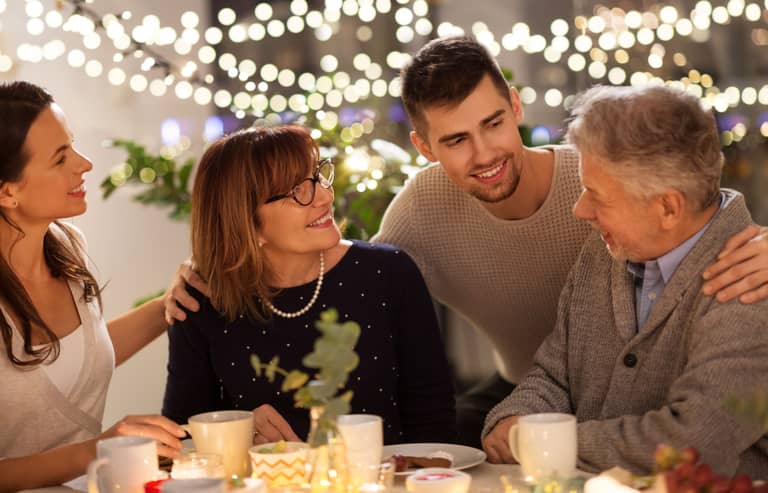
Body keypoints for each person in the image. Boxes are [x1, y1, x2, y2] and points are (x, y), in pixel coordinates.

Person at [165, 35, 768, 448]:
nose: (484, 154)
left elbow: (696, 210)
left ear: (515, 105)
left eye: (493, 123)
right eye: (454, 140)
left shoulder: (598, 179)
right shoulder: (422, 211)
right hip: (529, 386)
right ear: (424, 147)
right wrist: (209, 269)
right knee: (464, 445)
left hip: (600, 405)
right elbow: (341, 275)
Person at [481, 85, 768, 477]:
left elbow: (693, 441)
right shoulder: (608, 249)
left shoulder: (751, 286)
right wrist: (517, 417)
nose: (580, 210)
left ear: (668, 207)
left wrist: (542, 441)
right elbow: (554, 375)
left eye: (597, 196)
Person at [161, 125, 456, 445]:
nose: (325, 196)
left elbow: (435, 424)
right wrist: (242, 431)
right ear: (246, 222)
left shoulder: (388, 273)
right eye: (297, 191)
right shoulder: (200, 300)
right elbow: (179, 437)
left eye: (317, 176)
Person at [0, 81, 186, 492]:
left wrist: (169, 304)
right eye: (60, 158)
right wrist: (98, 449)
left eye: (73, 146)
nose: (84, 164)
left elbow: (79, 358)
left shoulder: (68, 248)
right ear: (7, 192)